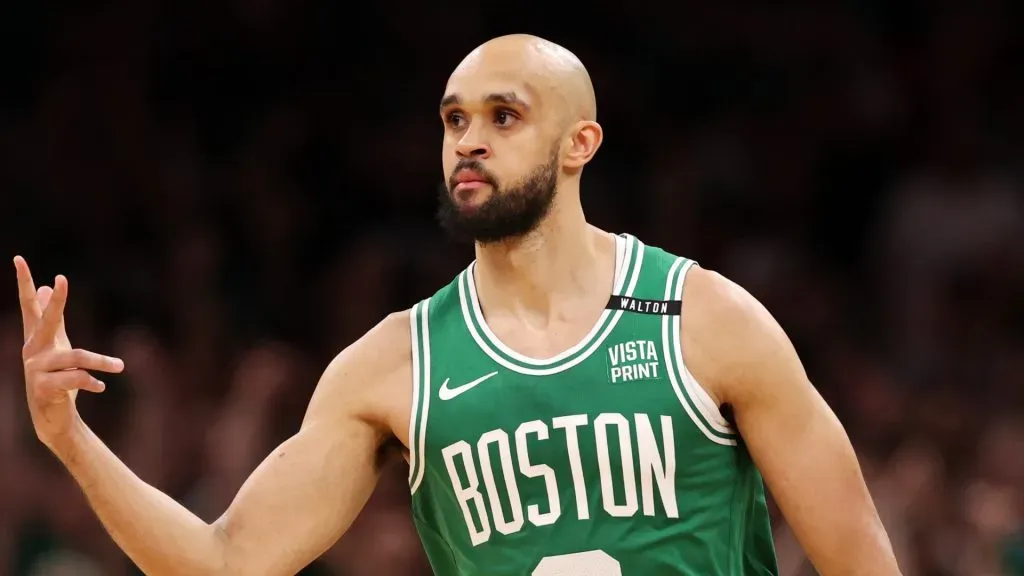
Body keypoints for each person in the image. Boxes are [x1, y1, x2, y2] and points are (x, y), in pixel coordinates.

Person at [14, 34, 901, 576]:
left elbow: (861, 564)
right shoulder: (394, 365)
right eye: (452, 119)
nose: (468, 141)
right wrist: (72, 443)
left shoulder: (706, 319)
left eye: (504, 117)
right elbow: (222, 564)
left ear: (579, 143)